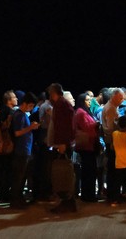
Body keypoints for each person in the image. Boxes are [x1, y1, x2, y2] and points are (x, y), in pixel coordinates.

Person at [47, 83, 77, 213]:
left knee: (64, 172)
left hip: (64, 143)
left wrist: (62, 143)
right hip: (65, 141)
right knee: (65, 172)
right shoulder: (63, 104)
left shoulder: (61, 104)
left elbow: (63, 125)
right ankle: (68, 201)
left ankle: (67, 201)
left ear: (54, 93)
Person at [9, 92, 39, 208]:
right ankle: (15, 200)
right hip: (21, 151)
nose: (31, 108)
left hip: (25, 150)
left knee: (22, 177)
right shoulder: (20, 115)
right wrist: (30, 127)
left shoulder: (23, 115)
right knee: (19, 177)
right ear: (25, 103)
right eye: (30, 106)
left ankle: (19, 199)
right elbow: (17, 133)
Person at [73, 92, 100, 202]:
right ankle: (88, 195)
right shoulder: (81, 112)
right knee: (88, 171)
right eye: (87, 100)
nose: (90, 102)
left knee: (90, 171)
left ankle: (89, 194)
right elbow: (86, 127)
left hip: (90, 145)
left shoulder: (86, 112)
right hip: (86, 146)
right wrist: (96, 124)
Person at [110, 115, 126, 206]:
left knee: (117, 182)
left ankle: (114, 200)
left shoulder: (114, 134)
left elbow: (112, 147)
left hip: (119, 161)